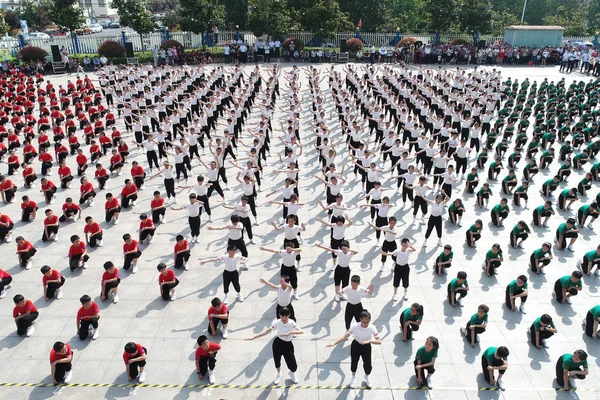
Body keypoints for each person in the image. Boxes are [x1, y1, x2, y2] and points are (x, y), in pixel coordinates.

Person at [245, 307, 303, 385]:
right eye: (282, 316)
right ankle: (279, 374)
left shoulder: (292, 323)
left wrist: (290, 333)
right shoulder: (277, 322)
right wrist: (255, 337)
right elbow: (267, 331)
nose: (284, 318)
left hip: (288, 344)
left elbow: (301, 331)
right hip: (278, 343)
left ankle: (292, 373)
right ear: (279, 315)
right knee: (277, 361)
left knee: (293, 365)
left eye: (286, 316)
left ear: (289, 315)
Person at [325, 310, 381, 389]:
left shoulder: (372, 328)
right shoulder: (355, 326)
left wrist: (369, 341)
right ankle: (353, 377)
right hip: (356, 345)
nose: (365, 324)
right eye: (364, 322)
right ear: (360, 319)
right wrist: (334, 343)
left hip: (366, 346)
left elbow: (379, 341)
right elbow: (345, 337)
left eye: (367, 322)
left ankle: (367, 376)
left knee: (368, 365)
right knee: (354, 362)